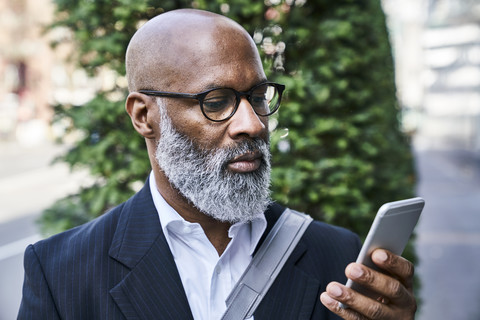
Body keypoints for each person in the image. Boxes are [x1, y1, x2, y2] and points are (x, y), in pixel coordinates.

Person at [18, 9, 417, 320]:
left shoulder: (336, 256)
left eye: (258, 96)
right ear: (144, 116)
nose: (253, 124)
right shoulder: (60, 273)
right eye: (216, 102)